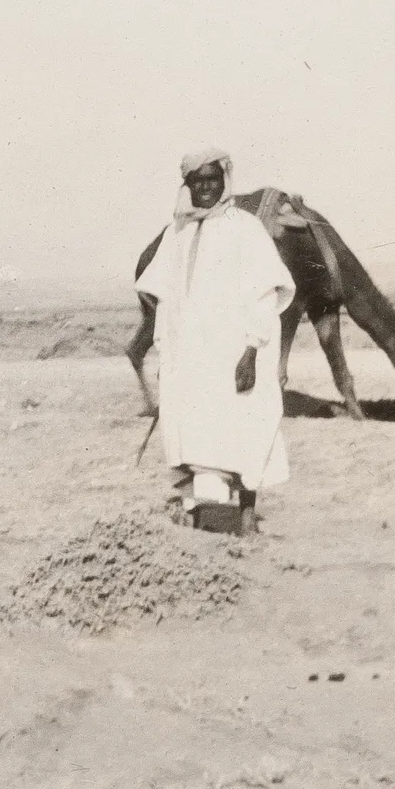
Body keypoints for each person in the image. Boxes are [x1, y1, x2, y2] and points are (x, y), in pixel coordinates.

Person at [134, 148, 294, 526]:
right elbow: (163, 297)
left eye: (213, 180)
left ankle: (246, 514)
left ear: (225, 180)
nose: (206, 188)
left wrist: (251, 351)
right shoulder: (179, 232)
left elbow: (264, 294)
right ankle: (205, 515)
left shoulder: (245, 229)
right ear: (187, 184)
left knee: (243, 425)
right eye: (197, 181)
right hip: (190, 357)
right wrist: (165, 353)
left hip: (233, 352)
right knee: (196, 434)